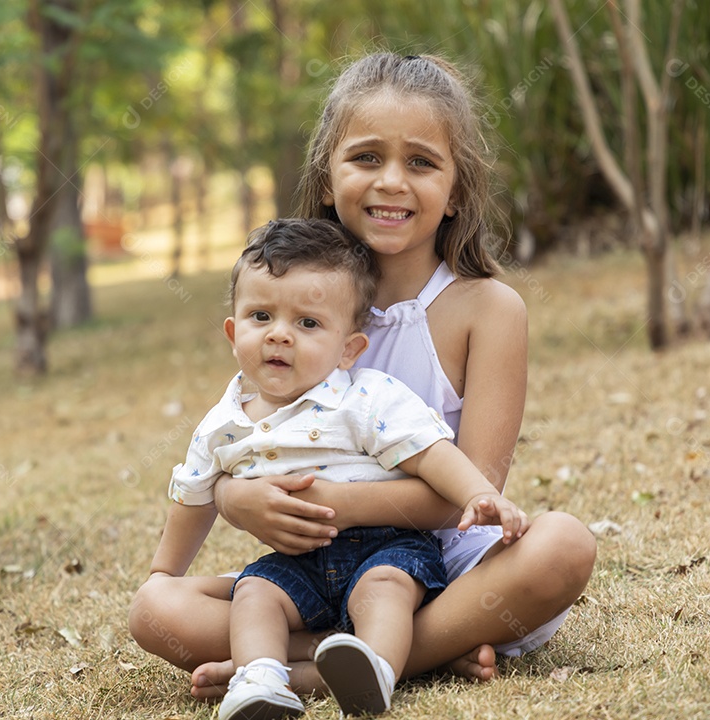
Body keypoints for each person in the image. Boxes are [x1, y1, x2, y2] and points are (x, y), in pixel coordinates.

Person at [129, 52, 596, 699]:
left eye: (422, 163)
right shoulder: (297, 308)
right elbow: (244, 441)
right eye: (367, 158)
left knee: (564, 547)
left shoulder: (487, 310)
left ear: (457, 188)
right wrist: (236, 500)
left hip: (440, 562)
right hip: (312, 568)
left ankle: (321, 666)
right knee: (156, 610)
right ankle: (414, 650)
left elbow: (469, 497)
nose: (392, 183)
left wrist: (328, 503)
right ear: (326, 177)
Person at [146, 218, 530, 719]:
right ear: (233, 331)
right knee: (255, 594)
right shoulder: (222, 424)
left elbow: (429, 452)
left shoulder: (365, 395)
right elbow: (193, 495)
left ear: (349, 348)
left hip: (387, 545)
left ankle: (376, 669)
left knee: (385, 589)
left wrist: (479, 494)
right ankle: (260, 677)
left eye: (307, 324)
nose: (280, 336)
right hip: (297, 561)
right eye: (261, 316)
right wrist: (163, 575)